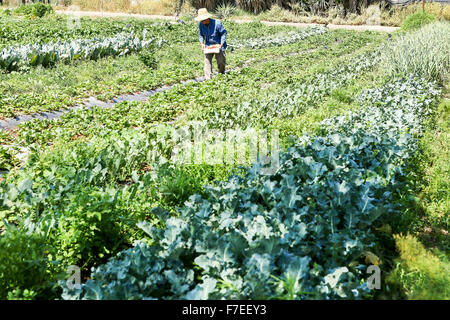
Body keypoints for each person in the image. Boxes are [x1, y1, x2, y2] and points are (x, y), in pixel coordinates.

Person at [196, 8, 227, 80]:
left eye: (204, 20)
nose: (202, 22)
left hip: (218, 45)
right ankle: (208, 79)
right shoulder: (201, 25)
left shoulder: (217, 23)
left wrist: (221, 44)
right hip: (208, 45)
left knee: (221, 62)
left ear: (208, 18)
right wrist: (202, 44)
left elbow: (223, 34)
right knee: (207, 62)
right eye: (201, 20)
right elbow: (201, 35)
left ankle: (221, 75)